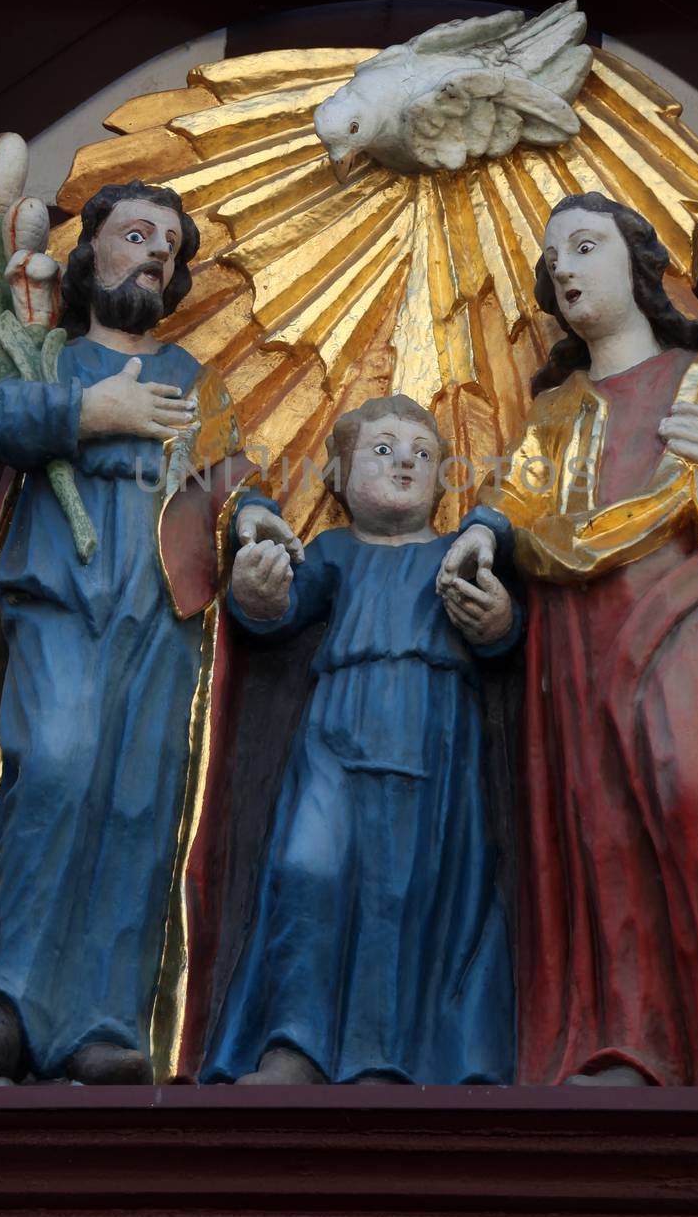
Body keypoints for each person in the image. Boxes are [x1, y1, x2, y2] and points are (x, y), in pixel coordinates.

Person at [440, 192, 698, 1089]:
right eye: (553, 261)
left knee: (691, 797)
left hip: (676, 616)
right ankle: (621, 1042)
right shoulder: (556, 409)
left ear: (638, 265)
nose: (566, 270)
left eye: (584, 247)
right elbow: (517, 497)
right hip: (570, 635)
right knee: (598, 824)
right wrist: (479, 531)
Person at [0, 180, 255, 1084]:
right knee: (60, 768)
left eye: (168, 242)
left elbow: (231, 483)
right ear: (88, 258)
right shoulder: (49, 359)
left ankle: (104, 1021)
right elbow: (2, 420)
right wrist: (90, 414)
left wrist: (262, 532)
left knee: (138, 803)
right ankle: (7, 1000)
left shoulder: (195, 380)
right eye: (134, 234)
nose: (153, 251)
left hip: (163, 622)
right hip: (62, 605)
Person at [201, 395, 520, 1086]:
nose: (405, 459)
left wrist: (497, 625)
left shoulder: (451, 553)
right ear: (338, 477)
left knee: (399, 887)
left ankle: (383, 1055)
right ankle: (293, 1045)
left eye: (422, 453)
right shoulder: (334, 551)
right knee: (307, 871)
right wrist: (256, 598)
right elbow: (278, 614)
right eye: (381, 448)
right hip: (336, 733)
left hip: (431, 733)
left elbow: (504, 639)